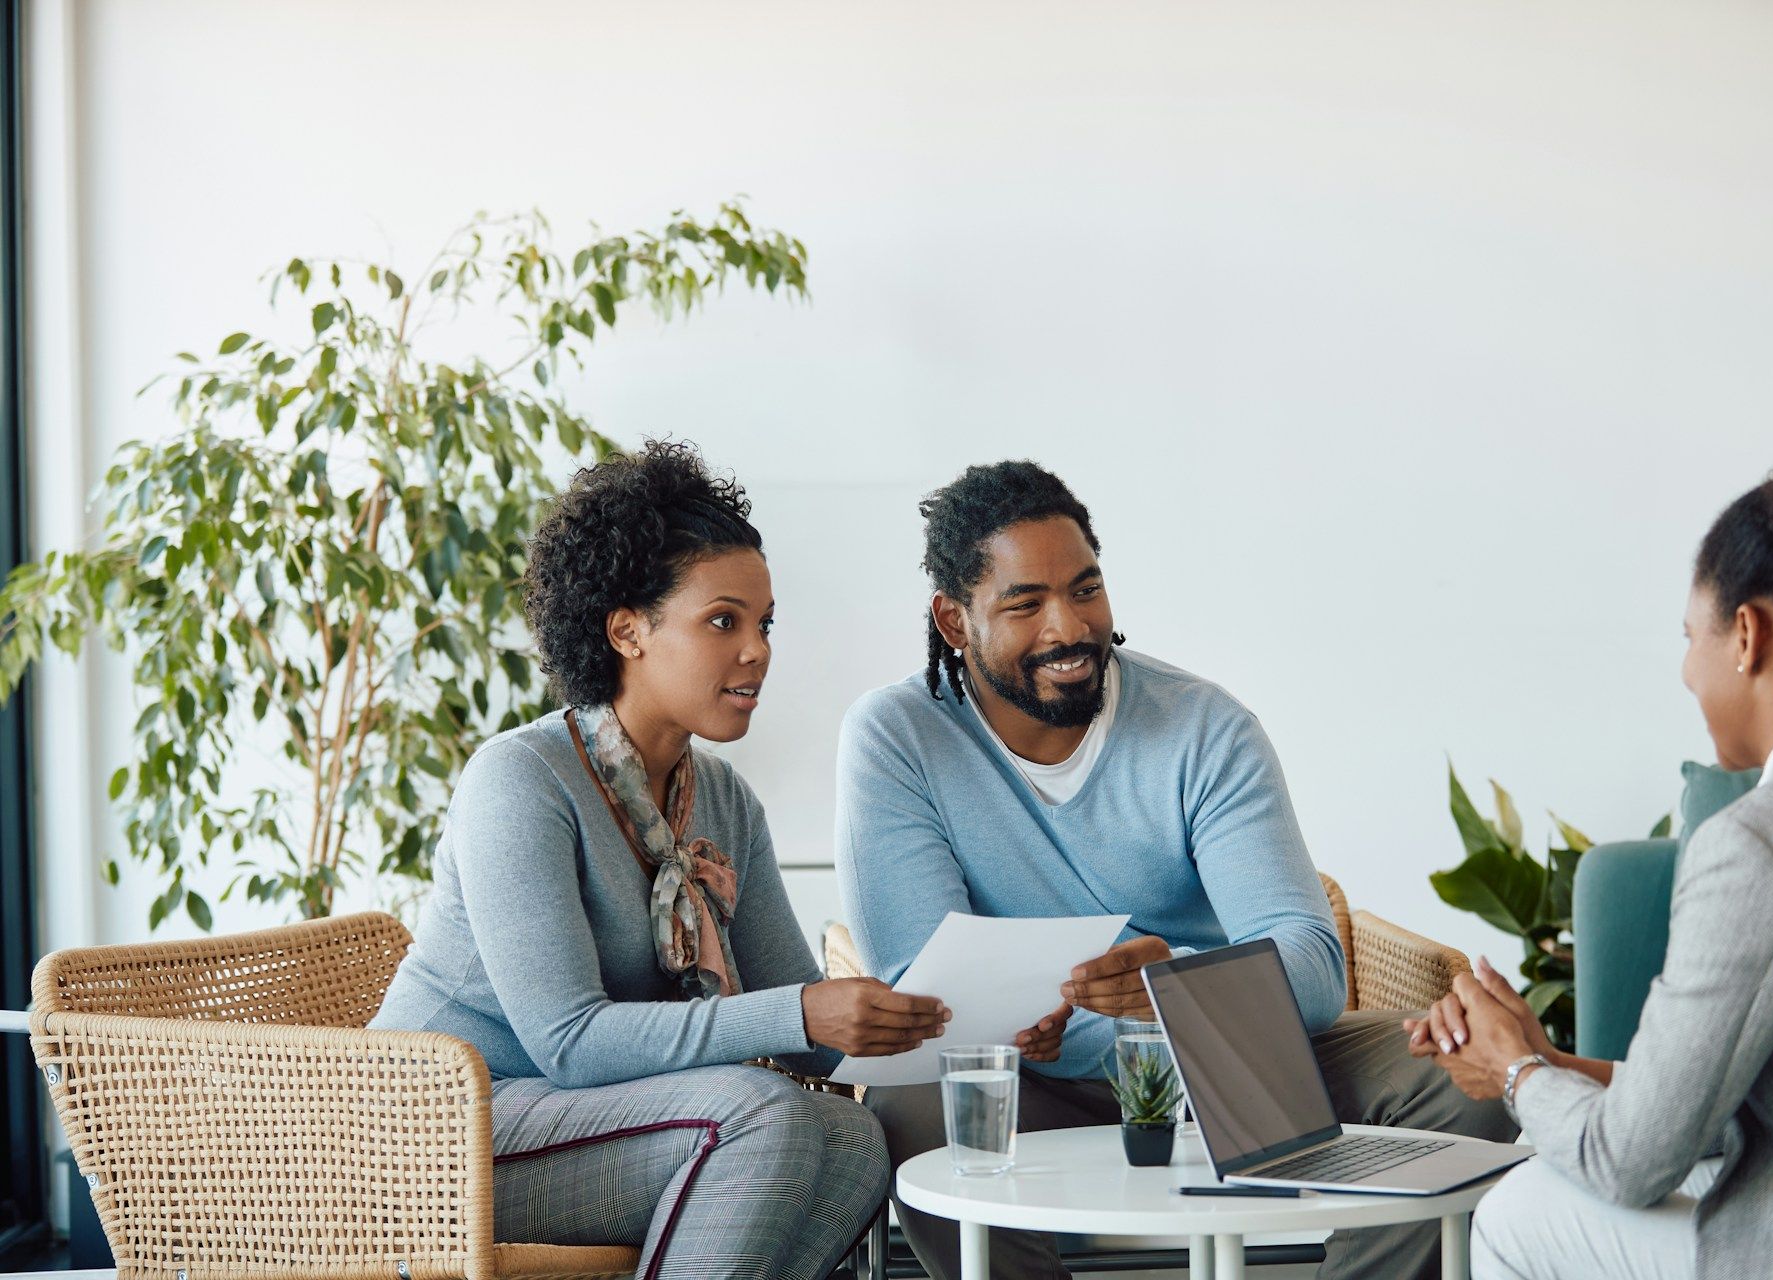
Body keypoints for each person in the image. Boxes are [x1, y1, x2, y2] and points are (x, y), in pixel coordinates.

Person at [834, 459, 1516, 1280]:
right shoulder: (896, 737)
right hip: (1035, 1075)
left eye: (1085, 589)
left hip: (1228, 1046)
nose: (1067, 628)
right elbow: (924, 993)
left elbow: (1310, 961)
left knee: (1466, 1079)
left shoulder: (1204, 727)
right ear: (953, 619)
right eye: (1025, 603)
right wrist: (1101, 1027)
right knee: (914, 1108)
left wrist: (1177, 988)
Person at [372, 440, 949, 1280]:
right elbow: (570, 1041)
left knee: (854, 1135)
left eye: (764, 624)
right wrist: (804, 1014)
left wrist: (946, 1024)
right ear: (627, 630)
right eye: (724, 621)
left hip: (584, 1120)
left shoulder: (721, 802)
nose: (758, 650)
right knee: (757, 1115)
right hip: (435, 1133)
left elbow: (807, 1030)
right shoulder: (520, 781)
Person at [1405, 420, 1773, 1279]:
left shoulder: (1760, 842)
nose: (1685, 672)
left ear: (1747, 636)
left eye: (1689, 636)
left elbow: (1631, 1165)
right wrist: (1547, 1061)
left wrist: (1517, 1075)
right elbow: (1696, 1106)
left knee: (1519, 1214)